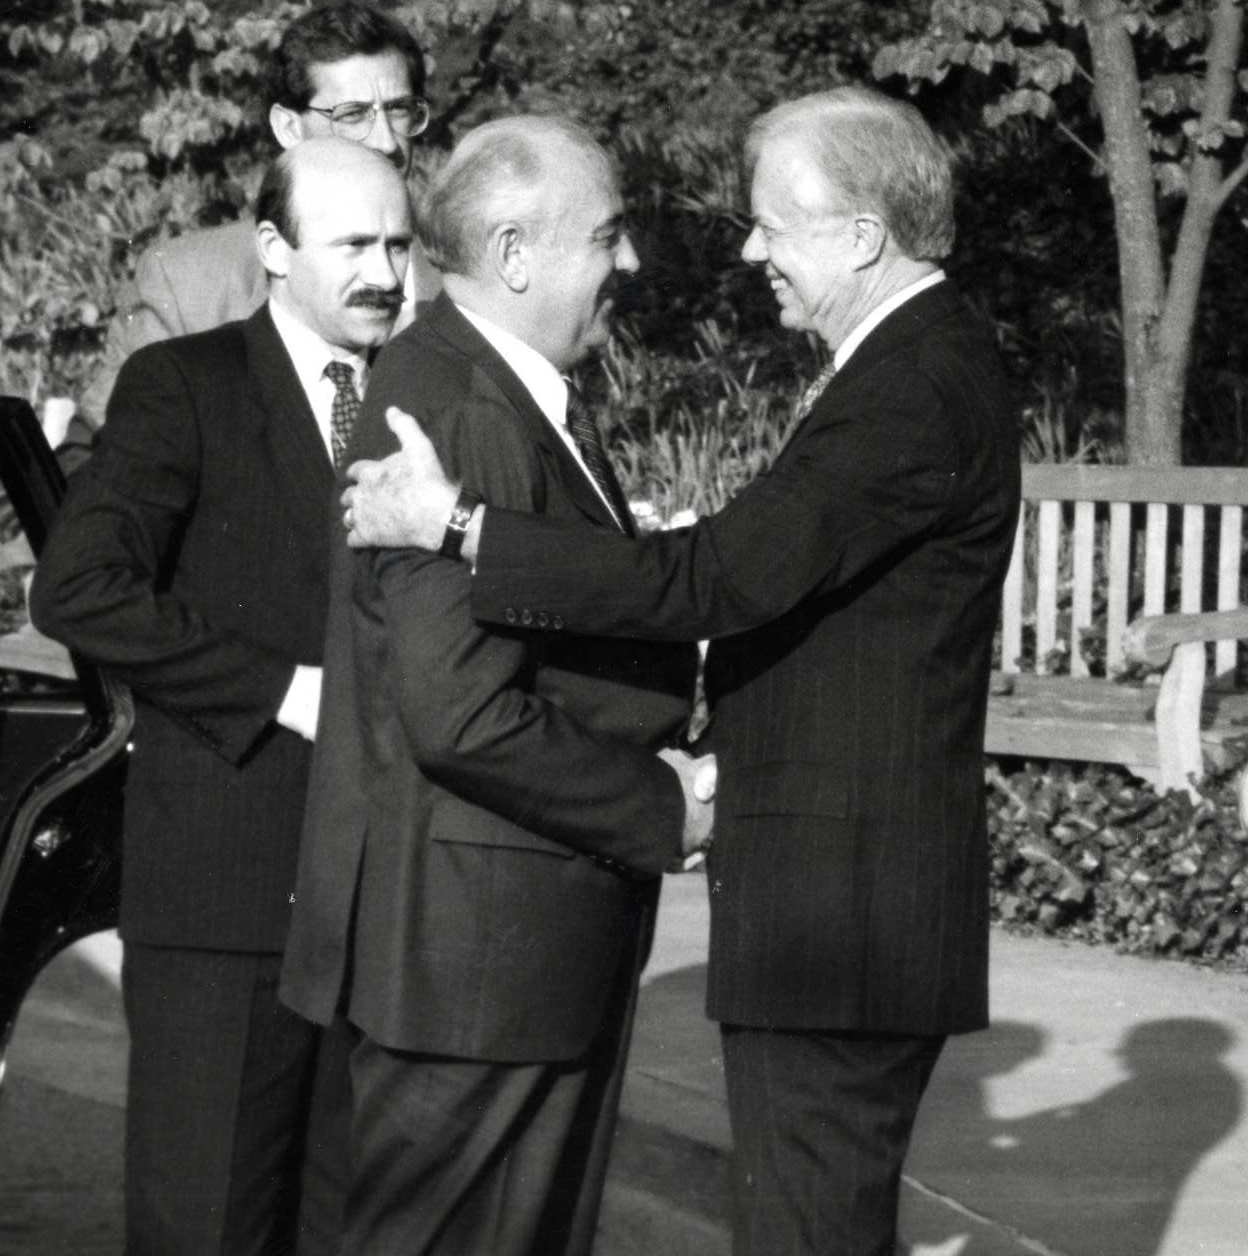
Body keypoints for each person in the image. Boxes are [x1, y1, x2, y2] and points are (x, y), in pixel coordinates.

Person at [337, 85, 1022, 1256]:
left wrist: (464, 531)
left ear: (861, 237)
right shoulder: (914, 362)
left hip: (841, 916)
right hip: (838, 910)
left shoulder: (908, 382)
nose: (747, 250)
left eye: (769, 224)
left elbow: (716, 580)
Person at [279, 114, 715, 1256]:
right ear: (517, 255)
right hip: (480, 960)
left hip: (497, 950)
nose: (630, 264)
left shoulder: (489, 385)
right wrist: (665, 802)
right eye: (610, 236)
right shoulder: (466, 404)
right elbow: (458, 710)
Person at [30, 137, 413, 1256]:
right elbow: (81, 589)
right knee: (208, 1225)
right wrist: (283, 691)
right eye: (352, 244)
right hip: (224, 903)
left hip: (380, 908)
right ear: (274, 250)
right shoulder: (186, 386)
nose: (382, 270)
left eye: (397, 242)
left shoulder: (422, 397)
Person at [77, 0, 439, 431]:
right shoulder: (189, 286)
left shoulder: (466, 274)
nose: (385, 141)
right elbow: (101, 454)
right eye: (353, 114)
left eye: (399, 110)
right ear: (288, 128)